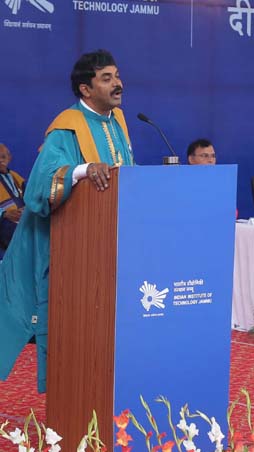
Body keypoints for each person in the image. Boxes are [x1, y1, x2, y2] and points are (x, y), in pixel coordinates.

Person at [0, 49, 135, 393]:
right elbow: (39, 187)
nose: (118, 84)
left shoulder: (117, 121)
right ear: (85, 89)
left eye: (117, 76)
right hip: (71, 250)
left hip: (112, 245)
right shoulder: (67, 127)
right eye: (107, 78)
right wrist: (82, 170)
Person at [0, 144, 26, 253]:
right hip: (4, 224)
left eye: (3, 157)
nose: (0, 160)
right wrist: (4, 214)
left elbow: (28, 199)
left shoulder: (16, 177)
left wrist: (26, 209)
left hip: (21, 220)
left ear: (9, 158)